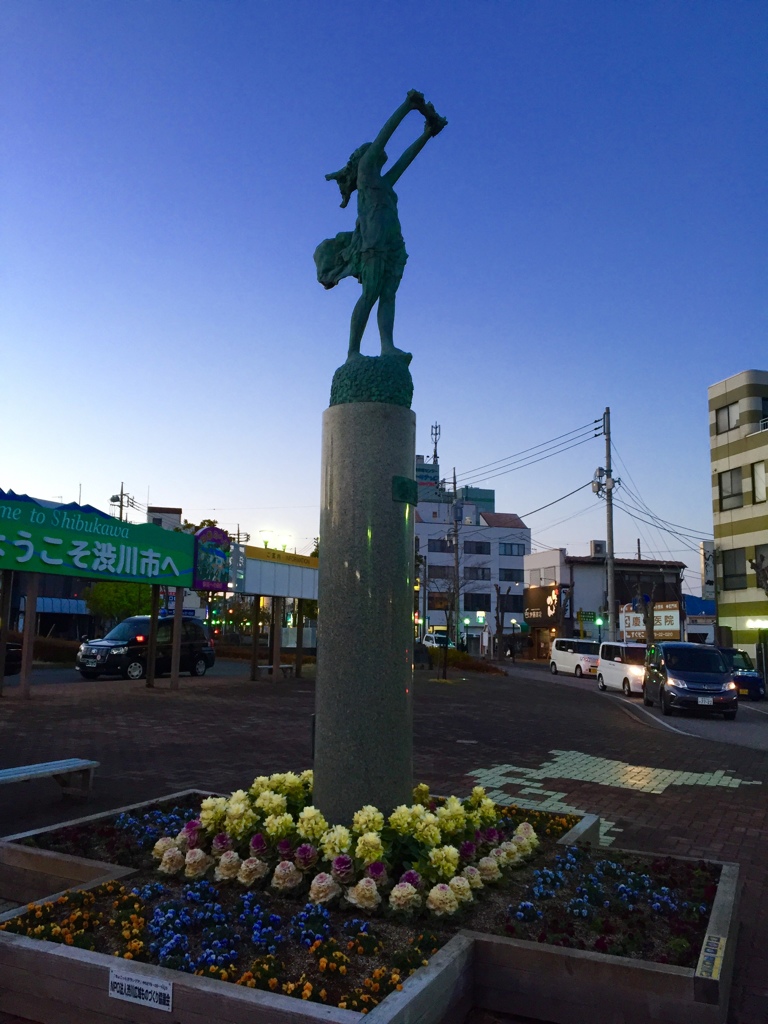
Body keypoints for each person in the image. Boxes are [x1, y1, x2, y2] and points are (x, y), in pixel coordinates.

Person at [315, 90, 447, 362]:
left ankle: (388, 346)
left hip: (391, 244)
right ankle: (353, 352)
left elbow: (405, 161)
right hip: (373, 244)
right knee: (371, 293)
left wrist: (426, 135)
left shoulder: (383, 183)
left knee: (388, 295)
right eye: (374, 152)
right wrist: (407, 106)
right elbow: (383, 137)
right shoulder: (365, 173)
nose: (381, 152)